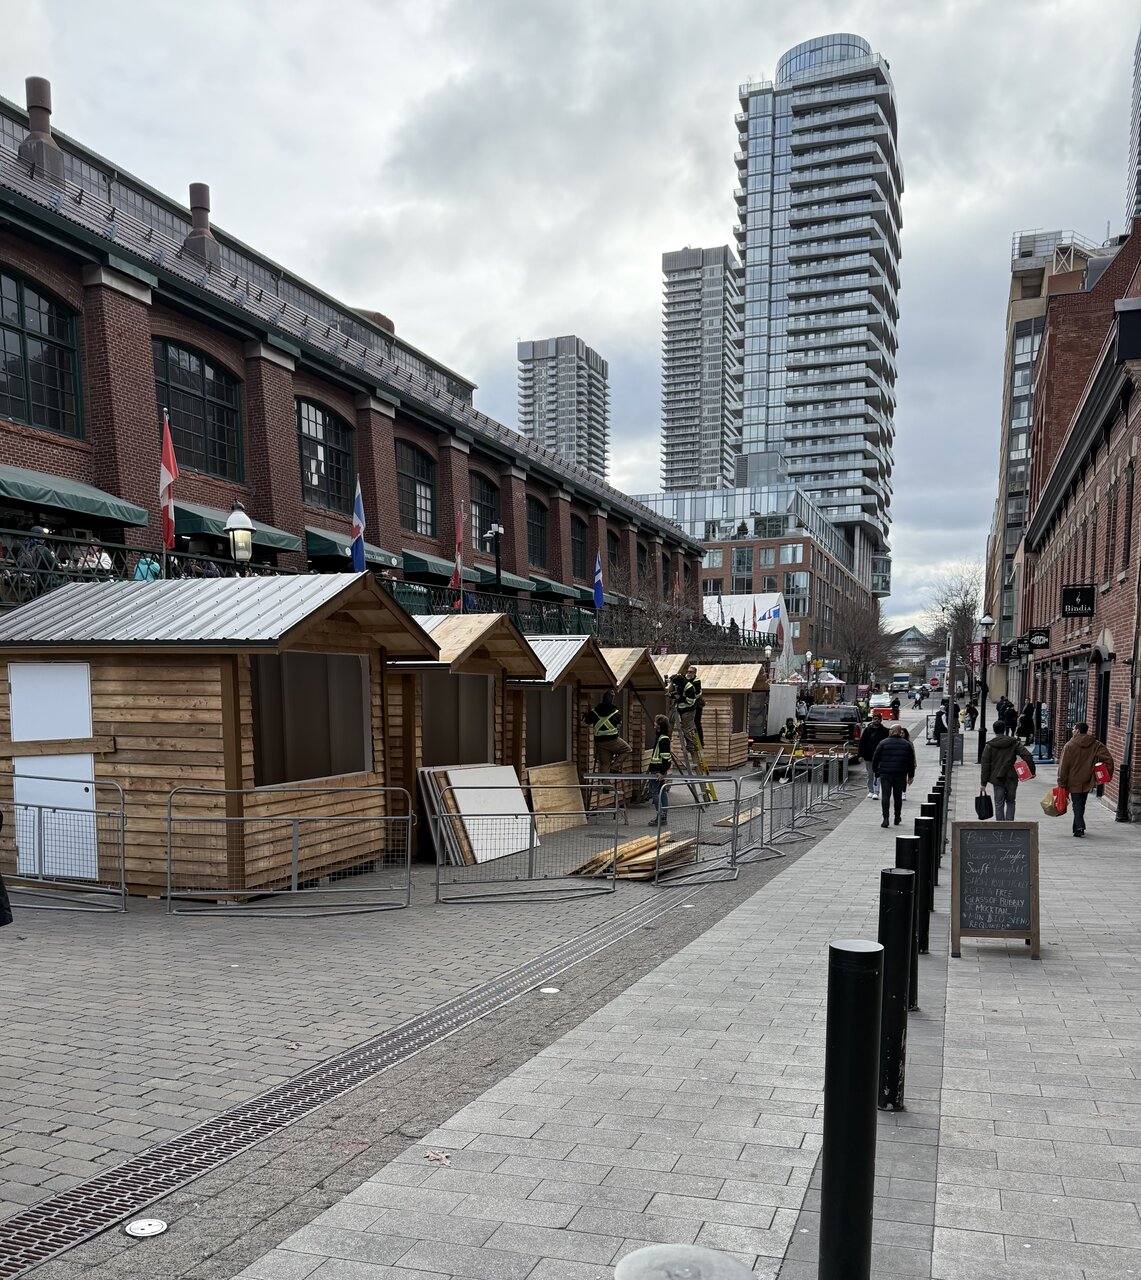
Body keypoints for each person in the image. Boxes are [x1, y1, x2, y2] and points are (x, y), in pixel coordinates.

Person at [1057, 722, 1114, 838]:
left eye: (1073, 729)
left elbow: (1064, 766)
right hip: (1088, 779)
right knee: (1081, 803)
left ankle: (1079, 826)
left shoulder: (1069, 746)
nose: (1072, 731)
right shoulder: (1095, 744)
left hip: (1073, 780)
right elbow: (1109, 760)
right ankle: (1077, 827)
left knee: (1077, 804)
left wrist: (1061, 781)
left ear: (1078, 731)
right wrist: (1101, 774)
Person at [979, 719, 1036, 820]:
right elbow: (1027, 756)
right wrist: (1031, 772)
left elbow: (985, 766)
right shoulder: (1014, 743)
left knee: (999, 802)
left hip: (997, 778)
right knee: (1011, 801)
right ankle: (1010, 824)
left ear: (994, 730)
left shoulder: (990, 746)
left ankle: (1000, 826)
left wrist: (983, 783)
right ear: (1004, 729)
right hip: (1011, 776)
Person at [872, 723, 916, 828]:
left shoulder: (883, 743)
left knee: (885, 796)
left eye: (890, 730)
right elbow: (911, 761)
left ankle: (885, 818)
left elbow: (875, 758)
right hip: (900, 774)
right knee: (898, 797)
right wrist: (911, 775)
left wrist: (876, 771)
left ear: (892, 731)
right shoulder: (907, 744)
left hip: (885, 774)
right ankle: (897, 817)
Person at [583, 689, 631, 773]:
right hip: (614, 741)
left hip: (600, 743)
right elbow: (619, 724)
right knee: (627, 749)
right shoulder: (615, 712)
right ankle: (615, 767)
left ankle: (605, 781)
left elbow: (585, 723)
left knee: (605, 764)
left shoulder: (594, 712)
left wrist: (585, 715)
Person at [647, 713, 672, 825]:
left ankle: (660, 817)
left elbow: (666, 759)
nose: (654, 725)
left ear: (660, 725)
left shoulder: (663, 740)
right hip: (658, 770)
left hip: (657, 771)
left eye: (656, 723)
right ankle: (663, 817)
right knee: (662, 792)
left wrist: (661, 772)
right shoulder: (661, 738)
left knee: (654, 792)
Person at [859, 715, 890, 799]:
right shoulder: (867, 730)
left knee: (878, 774)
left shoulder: (885, 731)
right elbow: (862, 743)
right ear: (872, 719)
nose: (876, 720)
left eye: (878, 719)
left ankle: (876, 792)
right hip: (868, 756)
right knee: (870, 774)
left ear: (881, 720)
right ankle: (870, 790)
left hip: (880, 756)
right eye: (875, 719)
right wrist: (861, 755)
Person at [675, 665, 701, 754]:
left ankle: (691, 746)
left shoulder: (696, 682)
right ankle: (694, 745)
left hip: (693, 706)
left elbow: (692, 698)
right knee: (689, 727)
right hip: (684, 708)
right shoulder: (684, 679)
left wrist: (680, 697)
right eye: (688, 671)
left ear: (694, 673)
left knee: (689, 727)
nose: (688, 673)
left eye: (690, 672)